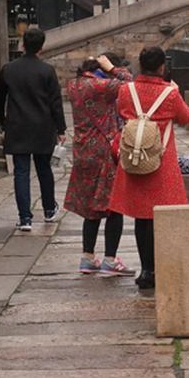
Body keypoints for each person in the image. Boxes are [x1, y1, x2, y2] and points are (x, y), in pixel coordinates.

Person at [108, 46, 189, 290]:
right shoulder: (170, 94)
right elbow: (186, 118)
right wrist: (174, 90)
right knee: (161, 216)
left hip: (134, 158)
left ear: (140, 64)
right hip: (161, 160)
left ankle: (146, 270)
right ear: (162, 67)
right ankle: (160, 267)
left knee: (141, 217)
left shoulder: (127, 90)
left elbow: (121, 111)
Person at [65, 55, 135, 276]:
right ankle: (110, 260)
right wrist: (114, 68)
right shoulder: (100, 86)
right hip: (105, 152)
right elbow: (129, 84)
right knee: (114, 205)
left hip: (83, 151)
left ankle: (87, 257)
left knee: (91, 207)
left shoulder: (74, 84)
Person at [0, 26, 67, 231]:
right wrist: (61, 128)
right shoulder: (47, 70)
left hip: (17, 125)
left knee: (21, 172)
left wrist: (2, 122)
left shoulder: (8, 69)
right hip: (43, 126)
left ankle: (25, 217)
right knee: (44, 169)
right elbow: (55, 103)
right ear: (41, 47)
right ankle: (48, 209)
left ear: (23, 44)